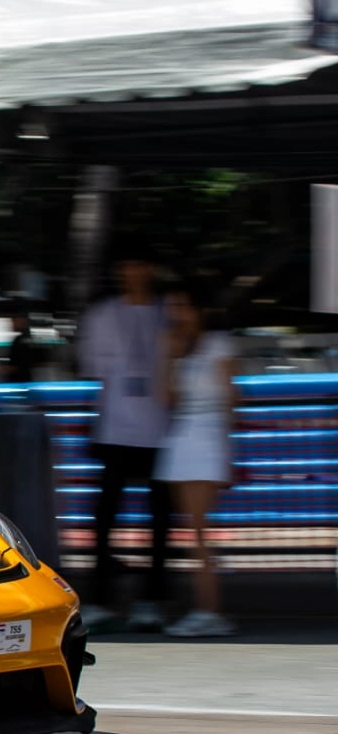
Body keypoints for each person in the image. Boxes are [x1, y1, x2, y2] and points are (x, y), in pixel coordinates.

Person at [76, 236, 172, 632]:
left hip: (161, 430)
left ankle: (151, 601)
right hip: (116, 427)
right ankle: (100, 599)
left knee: (160, 522)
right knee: (103, 520)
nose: (132, 273)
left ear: (151, 269)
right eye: (126, 266)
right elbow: (93, 369)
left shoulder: (168, 312)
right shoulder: (102, 314)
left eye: (139, 265)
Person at [155, 279, 238, 638]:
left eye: (181, 306)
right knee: (192, 531)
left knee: (199, 532)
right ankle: (203, 608)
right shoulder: (180, 349)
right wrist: (168, 358)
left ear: (198, 309)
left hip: (206, 437)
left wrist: (224, 447)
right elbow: (167, 398)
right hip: (182, 435)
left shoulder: (219, 344)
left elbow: (231, 399)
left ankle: (210, 611)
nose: (175, 314)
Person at [3, 303, 40, 383]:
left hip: (19, 382)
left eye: (13, 321)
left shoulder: (20, 340)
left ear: (21, 320)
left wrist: (5, 369)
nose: (11, 324)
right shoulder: (29, 338)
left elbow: (20, 364)